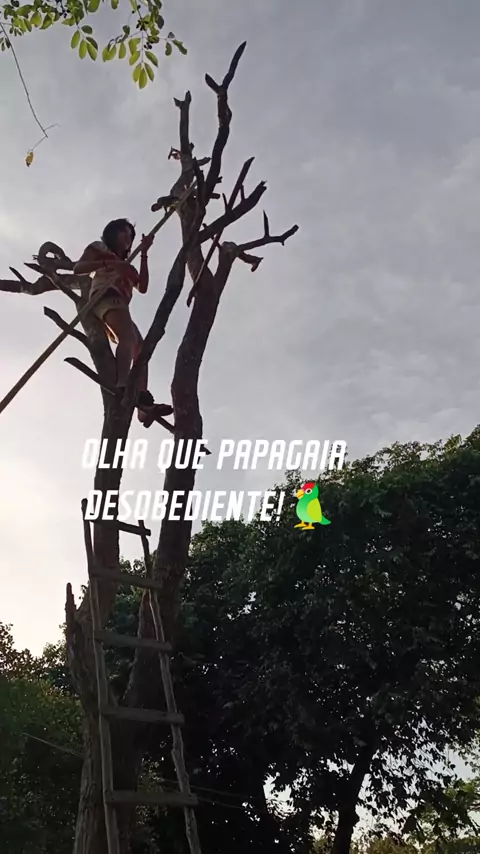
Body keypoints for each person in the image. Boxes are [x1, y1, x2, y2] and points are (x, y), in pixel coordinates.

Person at [74, 218, 172, 422]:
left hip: (120, 305)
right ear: (112, 233)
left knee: (141, 348)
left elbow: (142, 286)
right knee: (128, 338)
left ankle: (143, 402)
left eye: (130, 235)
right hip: (106, 296)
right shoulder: (100, 248)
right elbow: (78, 268)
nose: (128, 237)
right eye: (123, 232)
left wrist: (144, 253)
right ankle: (123, 384)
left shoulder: (128, 265)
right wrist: (108, 263)